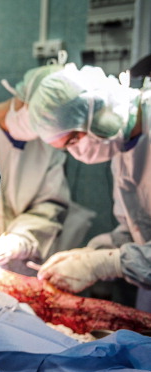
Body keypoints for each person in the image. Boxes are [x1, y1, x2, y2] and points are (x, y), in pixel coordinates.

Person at [28, 63, 151, 311]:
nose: (76, 152)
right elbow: (139, 229)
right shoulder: (125, 149)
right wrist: (96, 252)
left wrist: (109, 264)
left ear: (98, 113)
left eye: (73, 140)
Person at [0, 65, 92, 274]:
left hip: (16, 267)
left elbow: (50, 204)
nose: (45, 131)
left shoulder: (47, 146)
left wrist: (20, 240)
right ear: (25, 99)